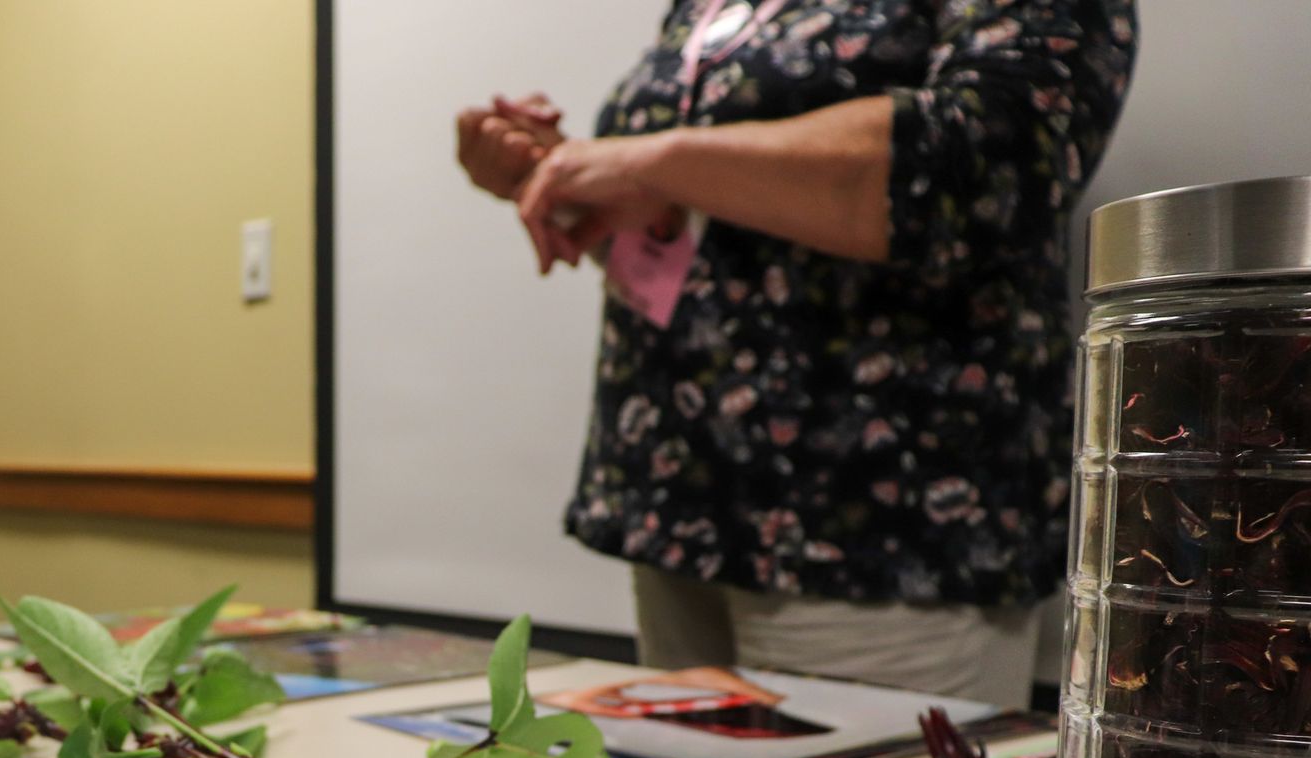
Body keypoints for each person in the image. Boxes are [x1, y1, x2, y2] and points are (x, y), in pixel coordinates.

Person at [456, 0, 1138, 707]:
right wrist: (557, 178)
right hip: (682, 512)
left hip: (883, 530)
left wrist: (645, 162)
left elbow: (984, 166)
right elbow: (725, 241)